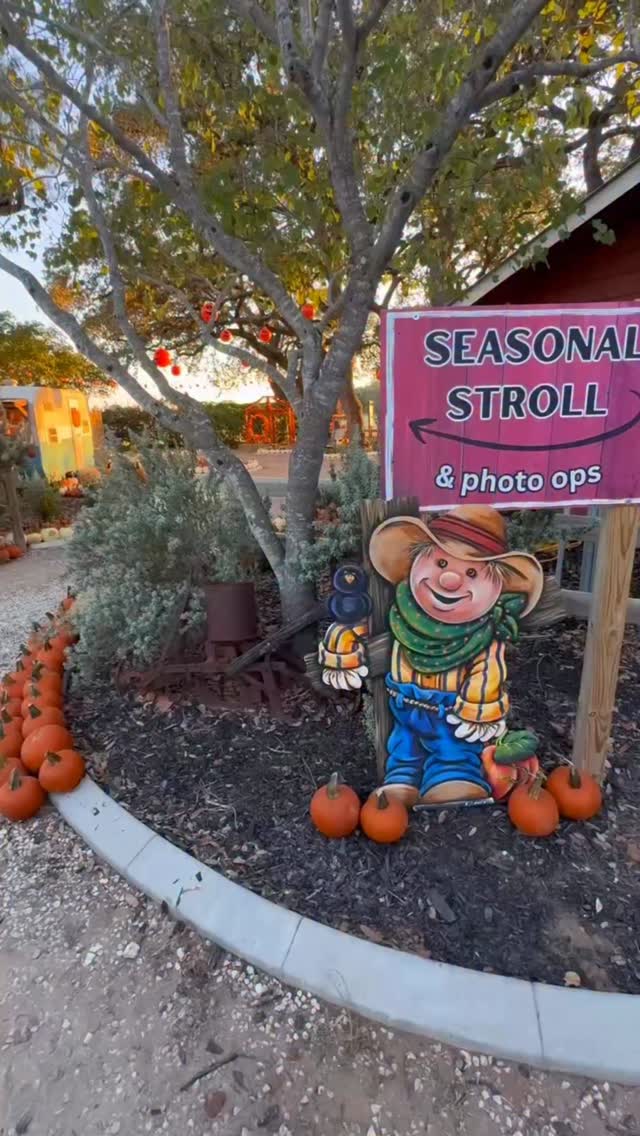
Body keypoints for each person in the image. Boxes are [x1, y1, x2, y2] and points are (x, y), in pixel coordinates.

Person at [319, 505, 543, 805]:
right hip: (404, 707)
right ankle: (402, 780)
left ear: (497, 587)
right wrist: (342, 647)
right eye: (439, 562)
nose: (449, 580)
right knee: (403, 749)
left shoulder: (483, 635)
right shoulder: (400, 613)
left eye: (473, 572)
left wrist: (480, 708)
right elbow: (360, 629)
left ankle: (454, 776)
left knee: (455, 750)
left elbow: (488, 671)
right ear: (417, 562)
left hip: (451, 713)